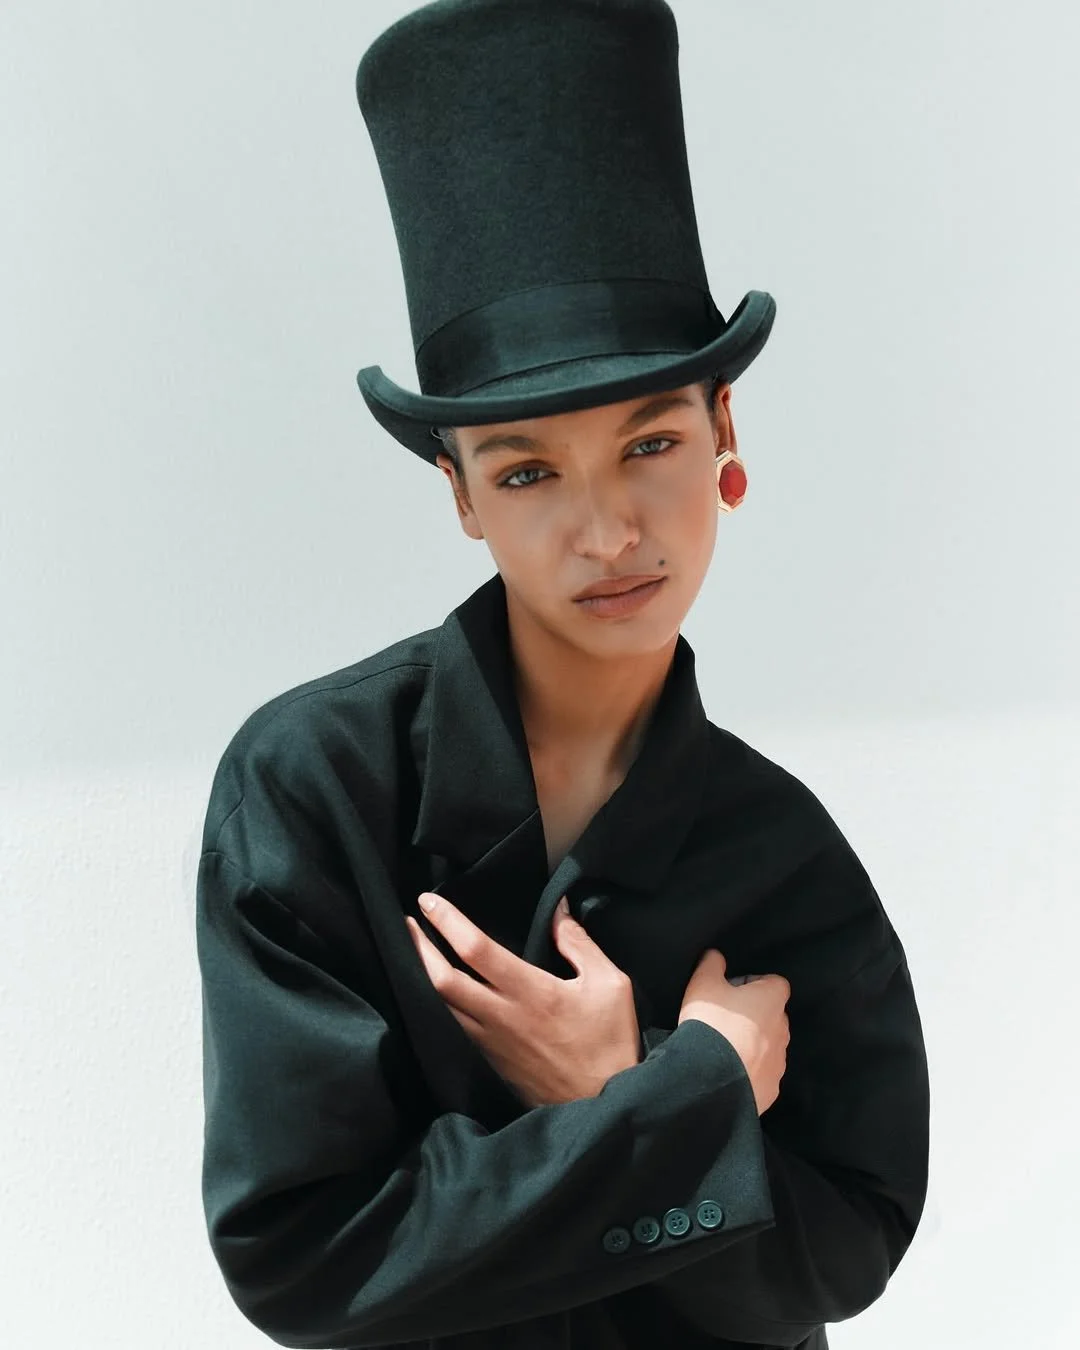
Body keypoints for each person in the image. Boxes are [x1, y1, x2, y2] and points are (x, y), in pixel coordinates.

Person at [194, 3, 930, 1348]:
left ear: (723, 431)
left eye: (649, 442)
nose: (606, 531)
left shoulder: (785, 851)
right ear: (460, 493)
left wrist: (608, 1088)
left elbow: (848, 1250)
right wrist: (682, 1094)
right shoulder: (311, 790)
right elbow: (301, 1256)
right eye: (529, 469)